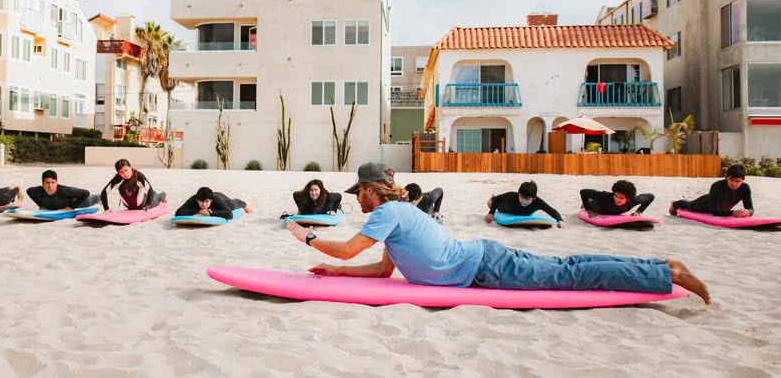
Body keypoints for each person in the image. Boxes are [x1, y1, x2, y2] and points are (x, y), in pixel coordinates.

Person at [283, 162, 711, 305]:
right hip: (484, 259)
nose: (357, 200)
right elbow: (380, 271)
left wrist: (303, 236)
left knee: (571, 274)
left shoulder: (386, 213)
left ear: (373, 190)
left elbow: (346, 249)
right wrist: (334, 272)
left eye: (360, 193)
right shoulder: (396, 217)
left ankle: (665, 272)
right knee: (571, 266)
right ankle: (661, 267)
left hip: (485, 268)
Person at [669, 164, 754, 218]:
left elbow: (750, 208)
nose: (734, 184)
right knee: (689, 205)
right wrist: (733, 213)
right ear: (726, 177)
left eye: (738, 181)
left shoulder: (745, 188)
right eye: (731, 180)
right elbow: (715, 211)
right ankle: (674, 204)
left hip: (723, 208)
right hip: (705, 204)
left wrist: (747, 212)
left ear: (743, 180)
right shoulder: (717, 186)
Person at [484, 181, 564, 227]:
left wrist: (560, 220)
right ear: (518, 193)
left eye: (527, 199)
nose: (523, 201)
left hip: (517, 212)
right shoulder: (511, 196)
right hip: (503, 208)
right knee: (490, 203)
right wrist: (491, 213)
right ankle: (491, 197)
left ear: (533, 198)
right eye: (521, 197)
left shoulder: (538, 202)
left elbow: (551, 210)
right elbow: (498, 199)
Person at [99, 159, 166, 211]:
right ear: (118, 173)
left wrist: (147, 205)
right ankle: (154, 194)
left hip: (143, 204)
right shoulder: (117, 179)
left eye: (126, 170)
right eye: (121, 172)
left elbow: (150, 190)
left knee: (156, 198)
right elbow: (104, 192)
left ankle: (163, 195)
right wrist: (106, 209)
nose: (125, 174)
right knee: (151, 193)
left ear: (130, 167)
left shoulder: (139, 176)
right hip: (128, 206)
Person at [26, 169, 98, 210]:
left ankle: (100, 196)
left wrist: (71, 207)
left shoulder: (64, 190)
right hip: (59, 205)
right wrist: (41, 205)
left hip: (83, 202)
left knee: (94, 198)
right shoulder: (38, 191)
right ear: (42, 183)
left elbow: (86, 193)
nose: (50, 186)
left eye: (53, 182)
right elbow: (28, 191)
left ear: (57, 182)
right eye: (47, 183)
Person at [580, 180, 654, 216]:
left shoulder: (633, 201)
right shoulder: (605, 196)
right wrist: (589, 209)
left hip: (612, 210)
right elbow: (583, 192)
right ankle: (584, 204)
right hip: (595, 205)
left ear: (628, 199)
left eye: (621, 198)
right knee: (590, 200)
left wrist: (638, 212)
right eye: (615, 195)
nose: (617, 199)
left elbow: (651, 197)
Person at [174, 186, 252, 219]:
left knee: (233, 205)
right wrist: (198, 211)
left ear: (211, 201)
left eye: (206, 202)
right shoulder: (193, 199)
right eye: (201, 202)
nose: (204, 205)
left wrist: (210, 214)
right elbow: (178, 212)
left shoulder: (216, 200)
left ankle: (243, 204)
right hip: (209, 195)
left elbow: (229, 214)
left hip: (221, 198)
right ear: (197, 200)